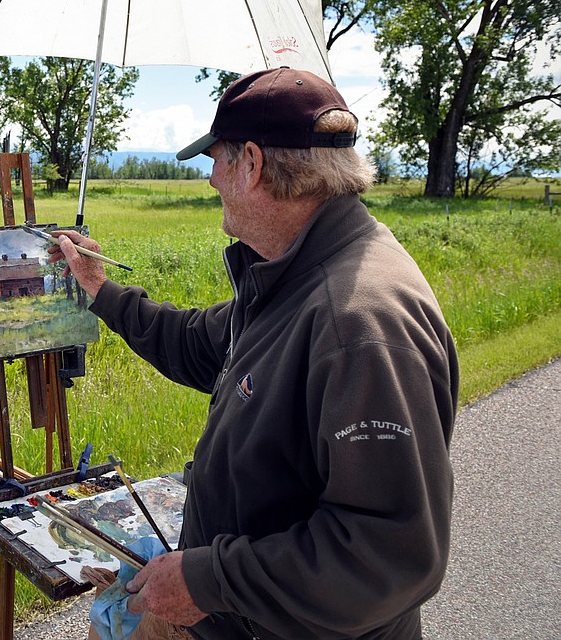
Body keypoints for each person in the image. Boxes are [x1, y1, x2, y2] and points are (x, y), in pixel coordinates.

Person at [50, 67, 458, 640]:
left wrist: (208, 580)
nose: (212, 180)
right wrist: (98, 289)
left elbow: (386, 556)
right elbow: (197, 343)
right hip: (233, 613)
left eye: (215, 161)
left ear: (252, 163)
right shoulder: (294, 276)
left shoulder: (356, 325)